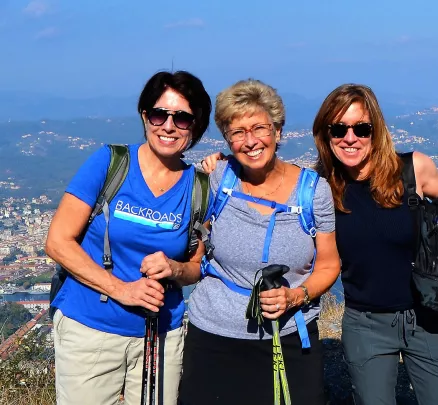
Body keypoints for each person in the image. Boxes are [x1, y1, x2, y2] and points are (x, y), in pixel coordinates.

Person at [311, 83, 438, 405]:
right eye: (339, 128)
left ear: (375, 131)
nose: (350, 138)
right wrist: (220, 164)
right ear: (325, 134)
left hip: (428, 315)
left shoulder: (411, 169)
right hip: (365, 323)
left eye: (361, 128)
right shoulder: (319, 186)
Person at [45, 70, 212, 405]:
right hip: (90, 329)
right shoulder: (110, 163)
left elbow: (196, 265)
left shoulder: (199, 187)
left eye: (181, 118)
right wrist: (124, 290)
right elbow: (58, 242)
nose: (168, 125)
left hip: (161, 336)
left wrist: (175, 270)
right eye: (158, 114)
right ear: (144, 116)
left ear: (196, 126)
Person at [178, 79, 341, 405]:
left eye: (259, 129)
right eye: (237, 132)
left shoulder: (312, 192)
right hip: (214, 337)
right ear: (226, 138)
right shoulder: (216, 181)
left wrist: (297, 295)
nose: (250, 141)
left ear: (278, 132)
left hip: (290, 334)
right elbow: (190, 245)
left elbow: (328, 262)